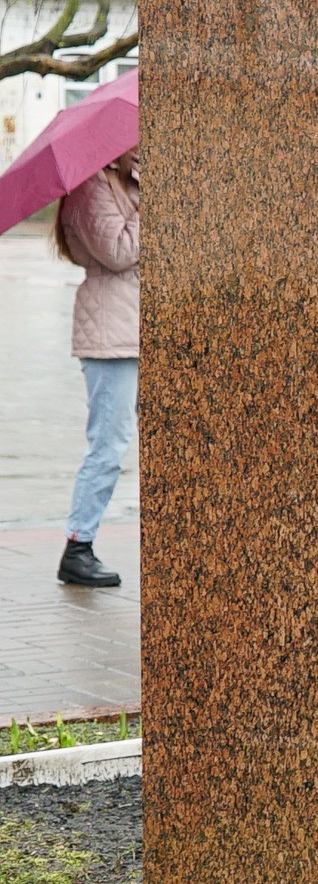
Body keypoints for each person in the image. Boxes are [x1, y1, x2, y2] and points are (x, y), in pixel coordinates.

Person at [56, 148, 141, 589]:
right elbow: (120, 252)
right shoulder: (90, 185)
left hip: (141, 329)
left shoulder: (128, 180)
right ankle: (78, 546)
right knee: (109, 446)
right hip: (112, 334)